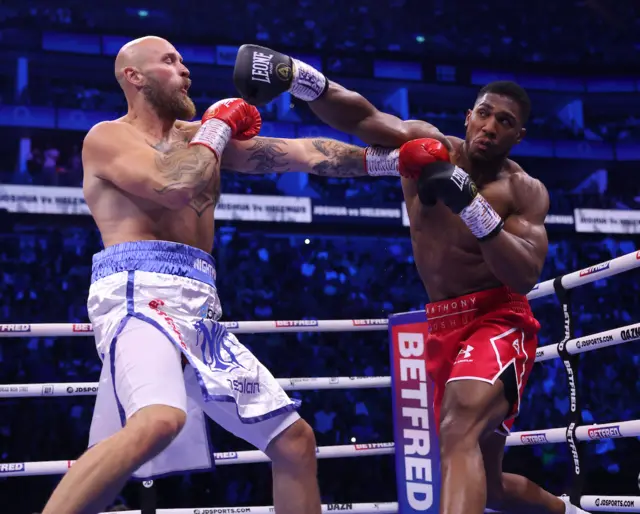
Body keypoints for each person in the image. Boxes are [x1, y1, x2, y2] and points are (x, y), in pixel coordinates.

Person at [41, 35, 430, 514]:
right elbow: (173, 185)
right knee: (160, 420)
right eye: (169, 61)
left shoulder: (199, 138)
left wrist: (390, 162)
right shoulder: (108, 137)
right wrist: (219, 126)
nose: (185, 69)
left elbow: (303, 153)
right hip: (137, 291)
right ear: (133, 77)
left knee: (294, 442)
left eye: (183, 59)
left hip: (200, 306)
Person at [233, 45, 591, 514]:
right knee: (491, 484)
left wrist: (471, 206)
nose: (490, 126)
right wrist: (300, 77)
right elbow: (361, 119)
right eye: (485, 114)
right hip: (443, 323)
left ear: (518, 136)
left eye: (505, 122)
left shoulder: (524, 191)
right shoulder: (426, 146)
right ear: (468, 117)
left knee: (457, 429)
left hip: (497, 319)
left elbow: (524, 274)